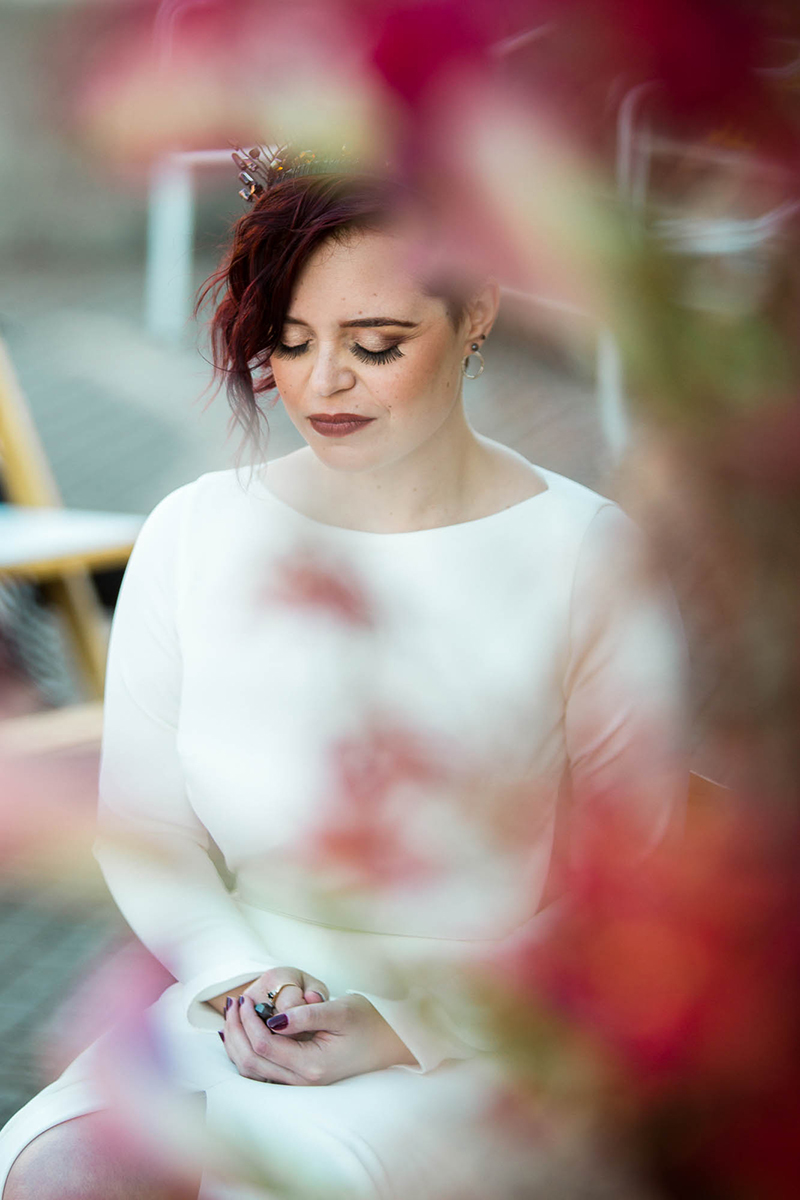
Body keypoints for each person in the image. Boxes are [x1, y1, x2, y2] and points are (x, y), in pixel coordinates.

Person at [0, 158, 687, 1200]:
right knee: (58, 1172)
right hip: (232, 996)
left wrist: (402, 1026)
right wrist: (240, 978)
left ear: (475, 316)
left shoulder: (586, 552)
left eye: (375, 345)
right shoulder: (194, 531)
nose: (320, 387)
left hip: (478, 1025)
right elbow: (148, 831)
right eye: (287, 341)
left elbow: (633, 891)